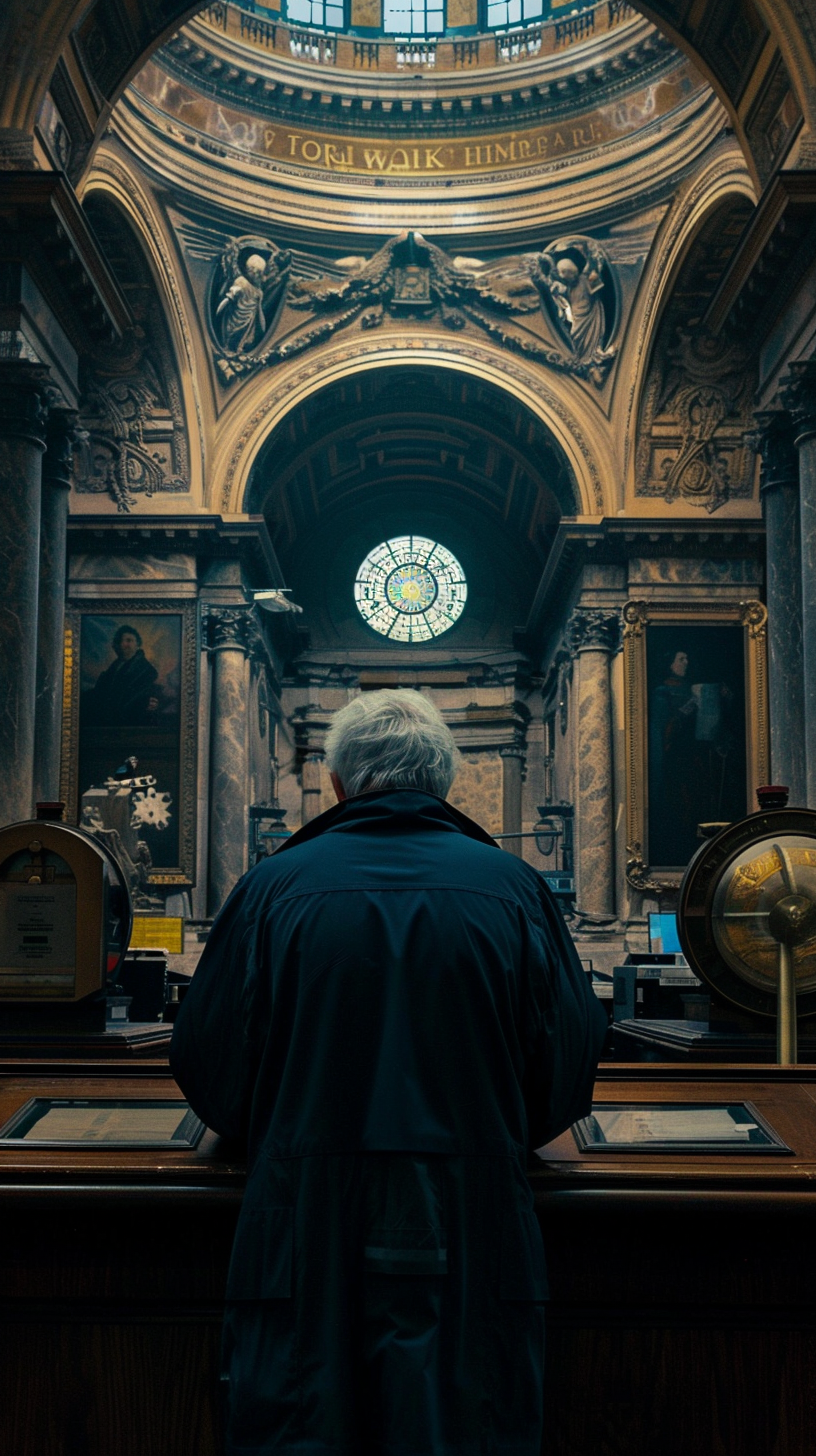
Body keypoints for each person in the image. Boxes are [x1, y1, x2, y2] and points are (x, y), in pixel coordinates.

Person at [170, 689, 607, 1456]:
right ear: (445, 782)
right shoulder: (515, 891)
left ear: (337, 783)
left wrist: (282, 1132)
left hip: (303, 1225)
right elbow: (567, 1070)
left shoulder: (272, 890)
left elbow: (208, 1065)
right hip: (474, 1221)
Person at [81, 624, 159, 727]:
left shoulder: (147, 671)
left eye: (129, 640)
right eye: (120, 641)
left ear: (138, 645)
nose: (123, 644)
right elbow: (100, 694)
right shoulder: (114, 667)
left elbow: (128, 702)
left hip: (128, 727)